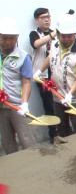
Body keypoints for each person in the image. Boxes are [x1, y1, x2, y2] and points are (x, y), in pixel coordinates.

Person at [34, 13, 76, 137]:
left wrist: (70, 94)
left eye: (70, 36)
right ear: (58, 33)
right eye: (64, 36)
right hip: (58, 97)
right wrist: (39, 71)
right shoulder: (55, 44)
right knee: (61, 129)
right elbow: (50, 56)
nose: (67, 39)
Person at [0, 17, 37, 154]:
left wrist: (24, 103)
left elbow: (26, 81)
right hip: (1, 107)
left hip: (17, 106)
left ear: (17, 37)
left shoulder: (23, 56)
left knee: (27, 140)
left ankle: (34, 166)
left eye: (11, 38)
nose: (7, 42)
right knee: (7, 142)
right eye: (4, 38)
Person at [29, 8, 57, 144]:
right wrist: (53, 36)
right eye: (43, 17)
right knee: (49, 106)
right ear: (36, 20)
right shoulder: (35, 34)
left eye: (49, 17)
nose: (47, 19)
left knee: (60, 104)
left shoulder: (56, 33)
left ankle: (65, 132)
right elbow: (36, 44)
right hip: (42, 77)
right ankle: (53, 136)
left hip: (57, 75)